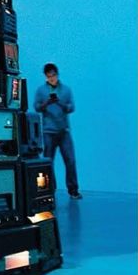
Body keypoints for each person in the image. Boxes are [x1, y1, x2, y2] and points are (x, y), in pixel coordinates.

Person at [34, 62, 82, 200]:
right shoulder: (41, 90)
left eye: (53, 75)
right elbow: (37, 107)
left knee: (70, 160)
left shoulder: (66, 90)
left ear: (57, 74)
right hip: (48, 131)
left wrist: (59, 102)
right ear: (45, 76)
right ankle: (49, 190)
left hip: (63, 130)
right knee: (48, 162)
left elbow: (71, 108)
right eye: (49, 76)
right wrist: (47, 103)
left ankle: (73, 190)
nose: (52, 78)